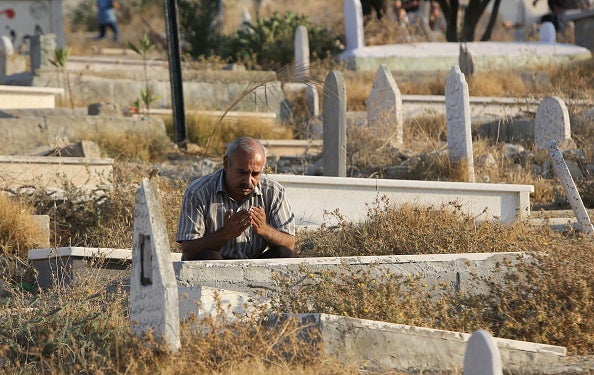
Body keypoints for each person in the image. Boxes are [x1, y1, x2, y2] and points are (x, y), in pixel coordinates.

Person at [176, 137, 296, 261]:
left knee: (284, 254)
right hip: (215, 269)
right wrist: (225, 234)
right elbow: (188, 250)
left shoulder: (274, 192)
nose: (248, 181)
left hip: (253, 266)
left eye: (255, 174)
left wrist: (265, 230)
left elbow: (290, 244)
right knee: (210, 257)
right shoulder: (198, 192)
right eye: (242, 172)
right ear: (226, 164)